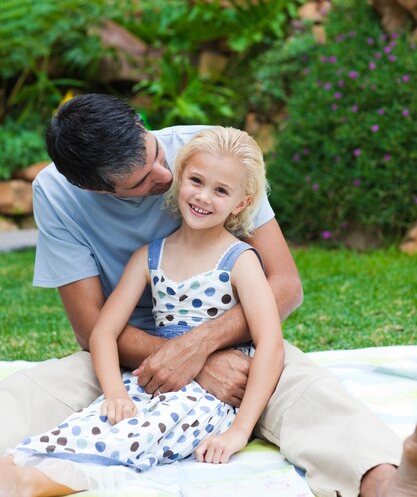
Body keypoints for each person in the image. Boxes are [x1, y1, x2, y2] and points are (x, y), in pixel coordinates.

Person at [0, 94, 415, 497]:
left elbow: (285, 283)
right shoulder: (56, 194)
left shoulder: (210, 154)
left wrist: (203, 348)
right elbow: (93, 329)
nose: (166, 178)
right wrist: (184, 361)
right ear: (97, 191)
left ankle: (383, 483)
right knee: (29, 392)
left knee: (310, 395)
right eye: (142, 182)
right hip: (128, 355)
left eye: (156, 156)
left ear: (140, 124)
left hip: (239, 345)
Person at [0, 126, 284, 495]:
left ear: (241, 203)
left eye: (221, 191)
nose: (203, 197)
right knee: (94, 418)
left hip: (209, 394)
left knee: (141, 435)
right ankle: (19, 464)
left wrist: (239, 431)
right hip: (149, 378)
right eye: (196, 181)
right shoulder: (149, 256)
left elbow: (271, 345)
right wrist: (116, 392)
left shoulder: (241, 261)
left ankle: (32, 482)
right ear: (181, 180)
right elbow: (102, 331)